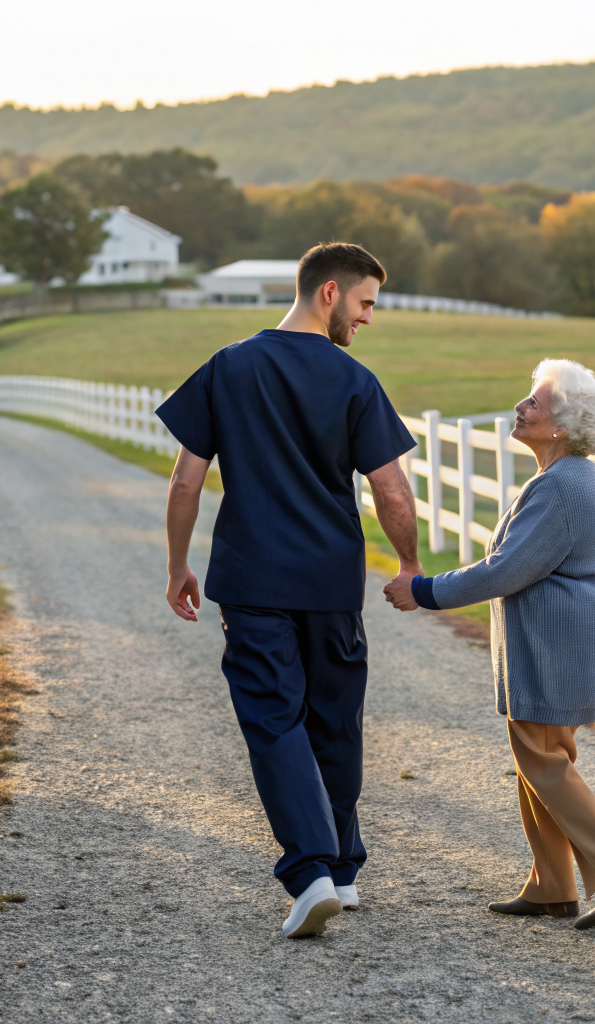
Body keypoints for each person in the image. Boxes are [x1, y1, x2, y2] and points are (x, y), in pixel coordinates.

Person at [157, 242, 421, 939]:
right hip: (330, 582)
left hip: (251, 579)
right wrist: (408, 563)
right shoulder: (355, 380)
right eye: (364, 303)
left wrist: (178, 565)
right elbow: (391, 488)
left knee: (274, 720)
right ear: (329, 292)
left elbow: (184, 482)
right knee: (334, 721)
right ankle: (340, 871)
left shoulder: (228, 367)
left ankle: (312, 875)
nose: (368, 318)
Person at [384, 359, 595, 931]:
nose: (521, 407)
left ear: (561, 426)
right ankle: (552, 886)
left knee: (541, 758)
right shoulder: (573, 477)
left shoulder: (561, 485)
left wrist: (425, 591)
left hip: (562, 640)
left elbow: (506, 570)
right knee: (540, 755)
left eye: (535, 402)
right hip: (566, 634)